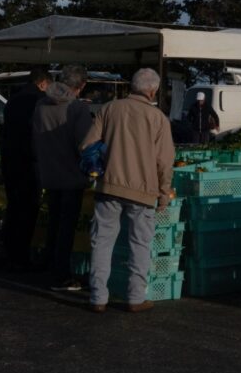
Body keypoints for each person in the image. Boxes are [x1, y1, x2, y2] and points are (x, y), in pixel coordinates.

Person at [81, 68, 174, 313]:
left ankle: (98, 297)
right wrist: (164, 194)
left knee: (101, 242)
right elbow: (164, 162)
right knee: (139, 244)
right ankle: (135, 298)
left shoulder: (109, 109)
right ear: (152, 90)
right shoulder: (158, 118)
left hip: (108, 185)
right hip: (143, 191)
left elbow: (87, 144)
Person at [33, 65, 93, 291]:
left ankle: (50, 266)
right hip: (71, 174)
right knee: (66, 226)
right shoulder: (77, 109)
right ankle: (61, 275)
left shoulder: (40, 104)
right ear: (82, 85)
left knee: (54, 222)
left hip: (48, 172)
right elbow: (85, 144)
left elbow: (34, 138)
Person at [1, 68, 51, 268]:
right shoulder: (39, 101)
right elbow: (36, 133)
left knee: (13, 208)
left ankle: (10, 253)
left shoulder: (13, 100)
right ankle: (21, 257)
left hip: (10, 160)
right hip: (29, 163)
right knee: (28, 210)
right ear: (43, 83)